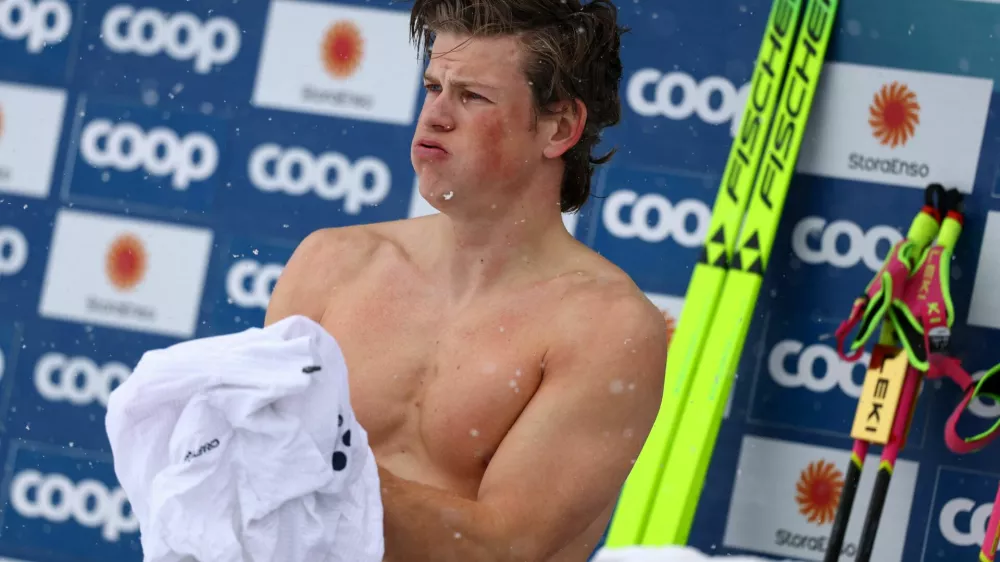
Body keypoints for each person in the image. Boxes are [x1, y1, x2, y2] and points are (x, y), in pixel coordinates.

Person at [264, 0, 668, 560]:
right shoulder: (332, 263)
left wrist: (316, 467)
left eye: (472, 96)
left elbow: (502, 545)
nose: (435, 115)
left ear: (560, 127)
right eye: (433, 87)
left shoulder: (606, 326)